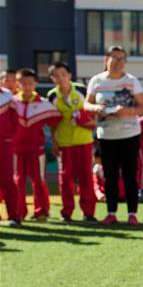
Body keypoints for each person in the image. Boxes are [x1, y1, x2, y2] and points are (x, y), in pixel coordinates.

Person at [85, 46, 143, 225]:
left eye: (122, 58)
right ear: (106, 60)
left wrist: (128, 111)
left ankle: (132, 214)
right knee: (110, 175)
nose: (118, 62)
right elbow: (86, 105)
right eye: (114, 58)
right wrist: (96, 108)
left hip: (130, 134)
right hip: (106, 135)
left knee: (129, 175)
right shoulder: (96, 81)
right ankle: (111, 212)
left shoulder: (132, 81)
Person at [48, 62, 97, 222]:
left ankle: (88, 212)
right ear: (52, 78)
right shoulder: (52, 96)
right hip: (64, 143)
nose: (60, 78)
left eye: (63, 74)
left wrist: (90, 122)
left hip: (84, 141)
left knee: (86, 177)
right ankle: (67, 212)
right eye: (56, 75)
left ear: (69, 75)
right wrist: (54, 142)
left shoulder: (82, 90)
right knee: (65, 179)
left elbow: (92, 111)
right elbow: (52, 122)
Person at [13, 68, 60, 221]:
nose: (26, 86)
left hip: (36, 149)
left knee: (39, 179)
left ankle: (42, 211)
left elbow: (55, 121)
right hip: (16, 149)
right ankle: (18, 212)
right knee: (18, 180)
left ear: (35, 84)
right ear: (17, 84)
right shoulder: (12, 102)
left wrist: (54, 140)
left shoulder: (43, 104)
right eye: (22, 83)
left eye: (30, 83)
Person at [0, 81, 20, 225]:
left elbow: (15, 120)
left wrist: (8, 136)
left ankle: (14, 216)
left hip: (4, 143)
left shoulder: (7, 95)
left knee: (7, 179)